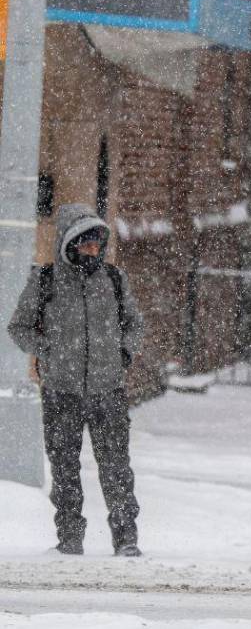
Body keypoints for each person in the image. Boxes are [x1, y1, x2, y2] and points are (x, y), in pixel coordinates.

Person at [6, 204, 145, 557]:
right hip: (61, 393)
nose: (92, 252)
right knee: (65, 467)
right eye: (85, 245)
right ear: (70, 244)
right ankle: (70, 536)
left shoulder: (114, 280)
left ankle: (126, 537)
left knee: (115, 467)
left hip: (107, 390)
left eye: (97, 246)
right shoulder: (46, 281)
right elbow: (19, 327)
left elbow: (134, 324)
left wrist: (123, 355)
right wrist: (48, 350)